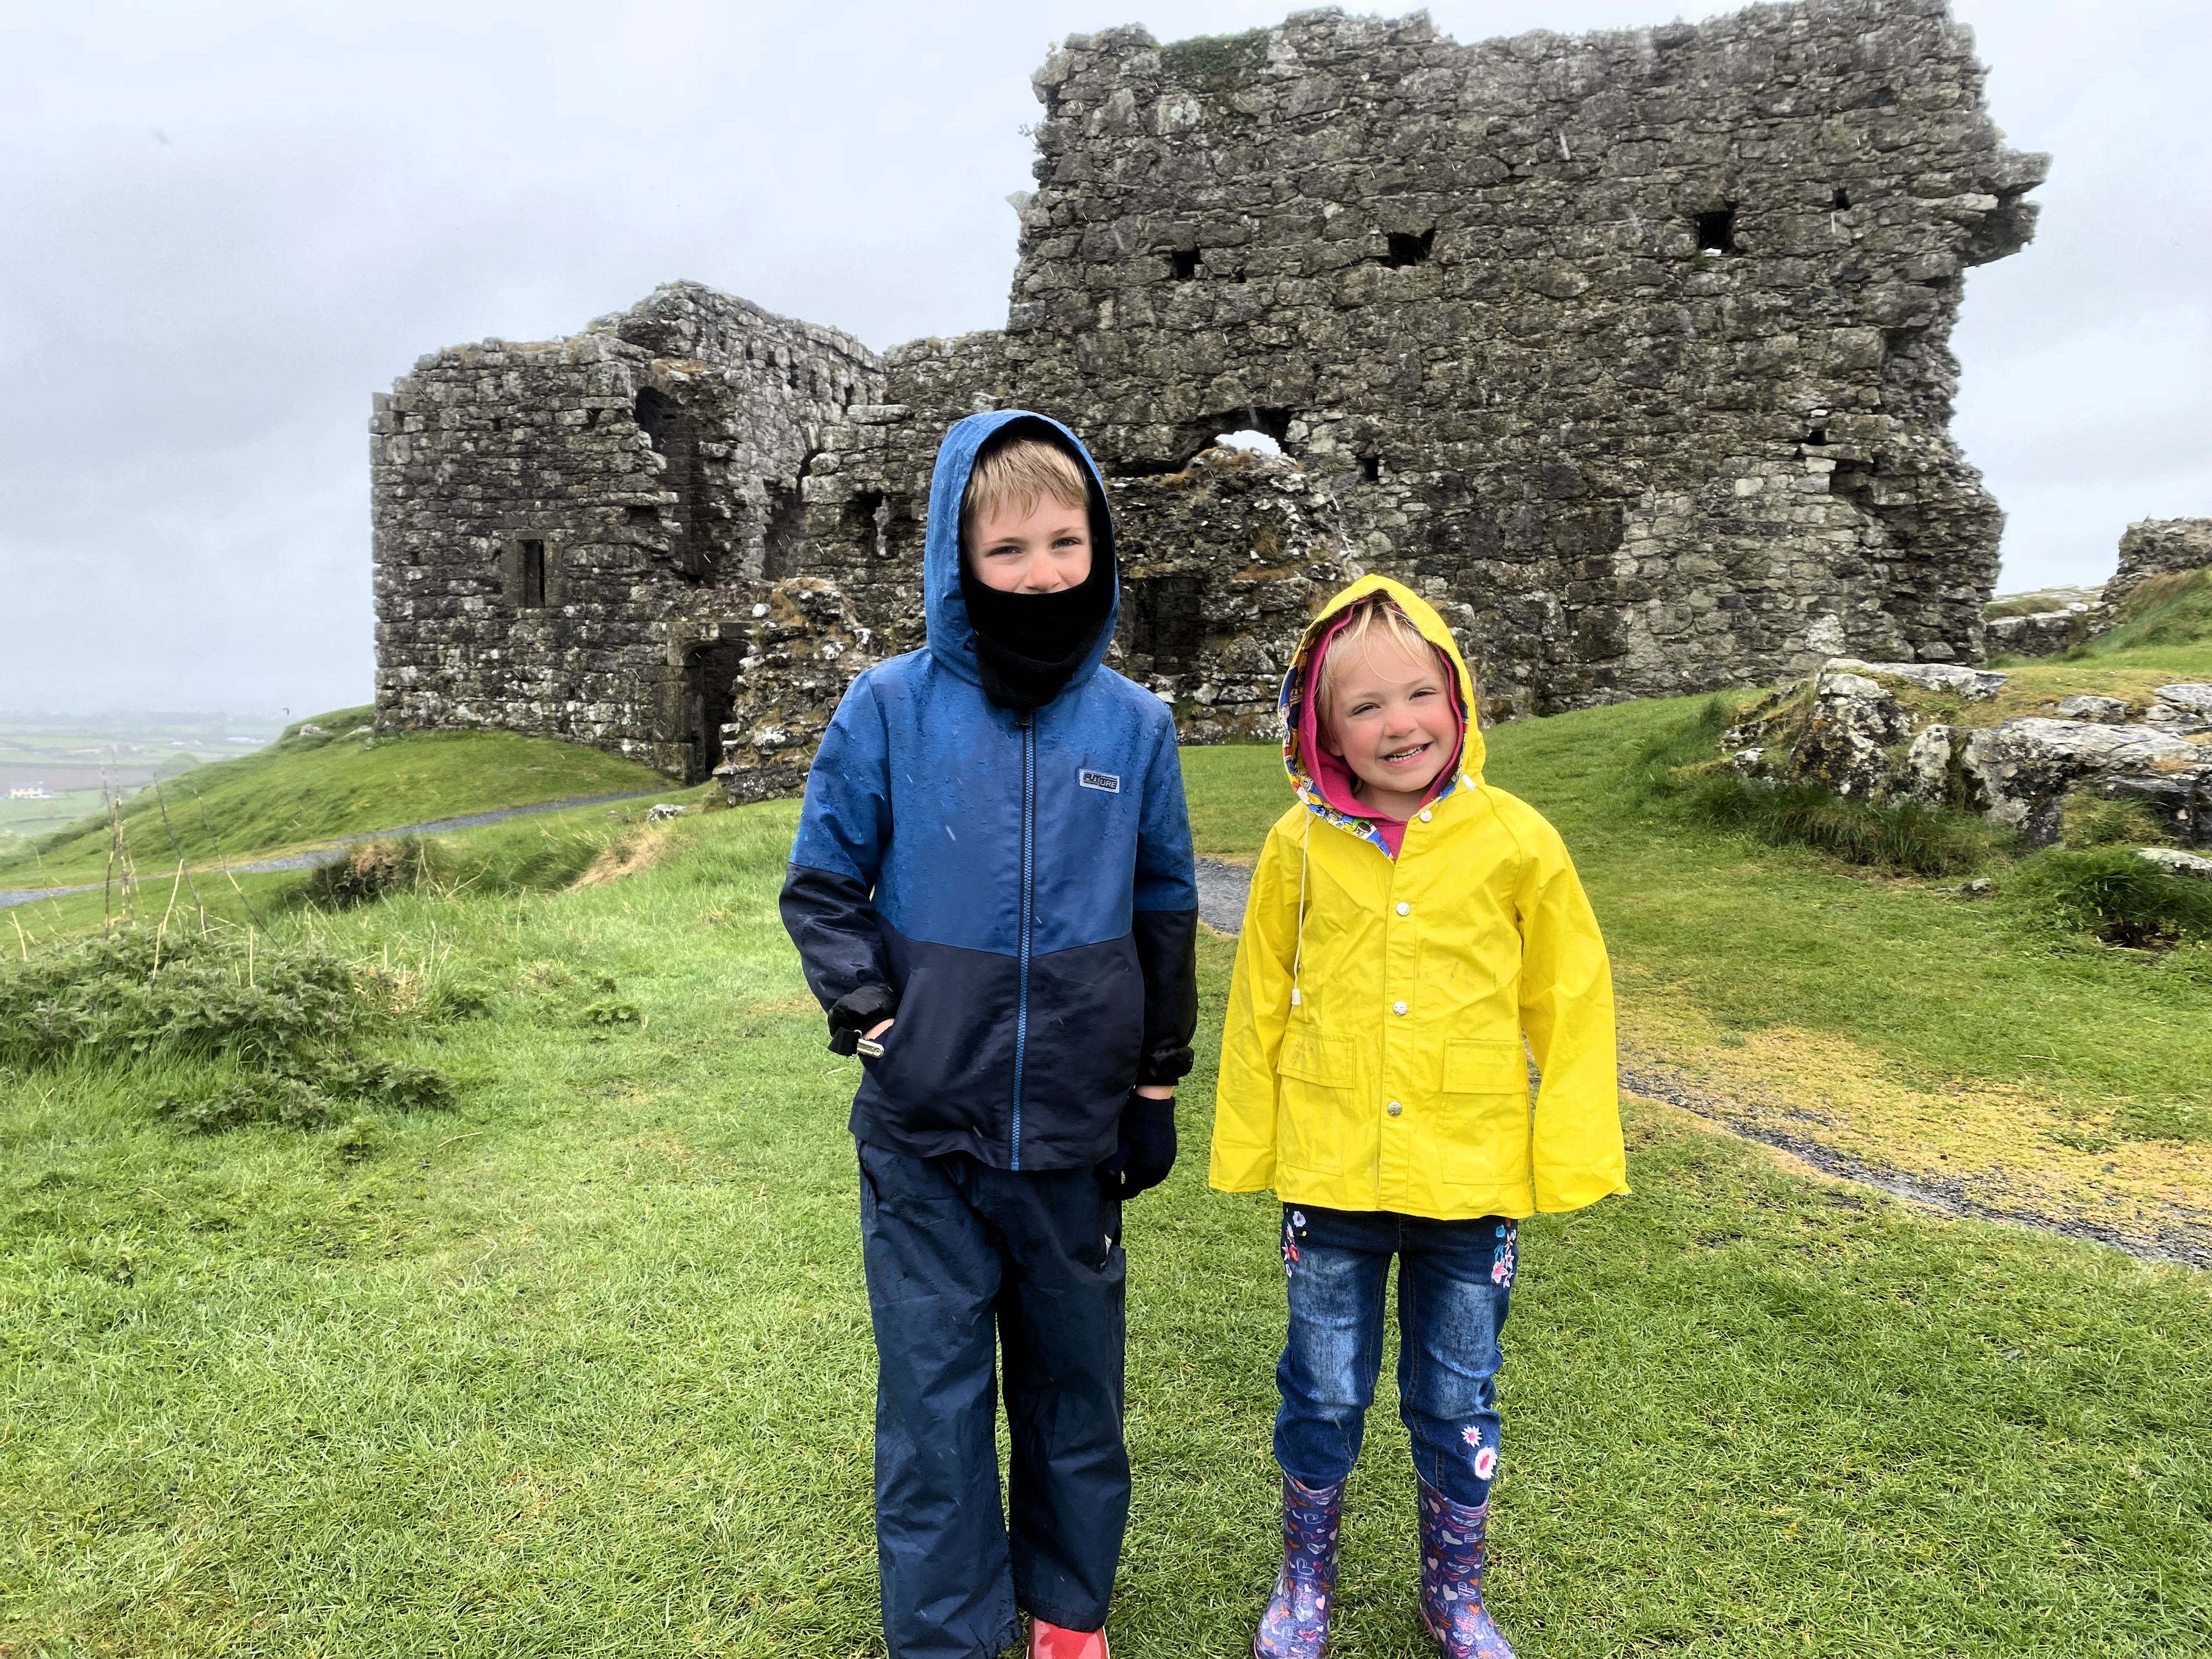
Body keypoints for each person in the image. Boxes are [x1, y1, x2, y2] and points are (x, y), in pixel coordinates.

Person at [780, 410, 1199, 1659]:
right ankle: (949, 1635)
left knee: (1076, 1390)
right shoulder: (888, 710)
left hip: (1075, 1134)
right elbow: (822, 886)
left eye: (1065, 541)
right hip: (923, 1135)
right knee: (935, 1403)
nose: (1040, 570)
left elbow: (1165, 910)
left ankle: (1066, 1610)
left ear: (1099, 544)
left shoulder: (1136, 727)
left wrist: (1155, 1086)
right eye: (1007, 547)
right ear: (957, 554)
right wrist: (877, 1016)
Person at [1210, 576, 1626, 1659]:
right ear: (1322, 729)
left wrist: (1569, 1149)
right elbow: (1259, 998)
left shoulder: (1518, 840)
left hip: (1471, 1179)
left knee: (1458, 1394)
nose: (1400, 725)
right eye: (1366, 706)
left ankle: (1455, 1593)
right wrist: (1252, 1144)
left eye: (1418, 695)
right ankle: (1305, 1578)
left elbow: (1571, 996)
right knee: (1321, 1388)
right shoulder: (1298, 847)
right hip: (1331, 1173)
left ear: (1457, 697)